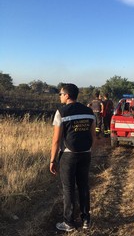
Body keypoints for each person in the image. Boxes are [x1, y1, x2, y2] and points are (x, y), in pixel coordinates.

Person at [50, 83, 96, 232]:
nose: (60, 96)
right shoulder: (89, 111)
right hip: (85, 154)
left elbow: (56, 140)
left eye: (61, 94)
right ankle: (86, 220)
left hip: (69, 156)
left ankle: (68, 223)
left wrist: (52, 160)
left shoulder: (61, 112)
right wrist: (89, 151)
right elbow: (92, 136)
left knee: (68, 188)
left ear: (67, 95)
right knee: (83, 186)